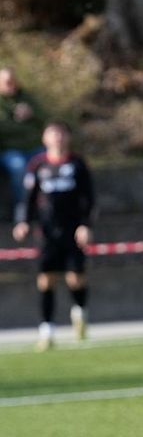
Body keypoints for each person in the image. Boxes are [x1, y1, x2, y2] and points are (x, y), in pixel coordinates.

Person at [12, 121, 94, 351]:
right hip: (47, 232)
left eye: (61, 133)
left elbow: (88, 198)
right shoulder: (38, 165)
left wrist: (85, 225)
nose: (57, 138)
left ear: (67, 137)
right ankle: (46, 330)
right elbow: (28, 198)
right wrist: (23, 222)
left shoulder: (77, 164)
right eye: (52, 134)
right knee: (46, 280)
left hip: (72, 230)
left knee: (75, 278)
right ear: (44, 139)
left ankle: (80, 312)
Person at [0, 67, 45, 217]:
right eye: (7, 82)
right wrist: (19, 123)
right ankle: (23, 208)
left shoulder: (26, 97)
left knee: (51, 164)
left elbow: (47, 120)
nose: (11, 85)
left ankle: (46, 207)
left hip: (34, 147)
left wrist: (32, 114)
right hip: (10, 150)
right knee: (19, 168)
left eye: (13, 81)